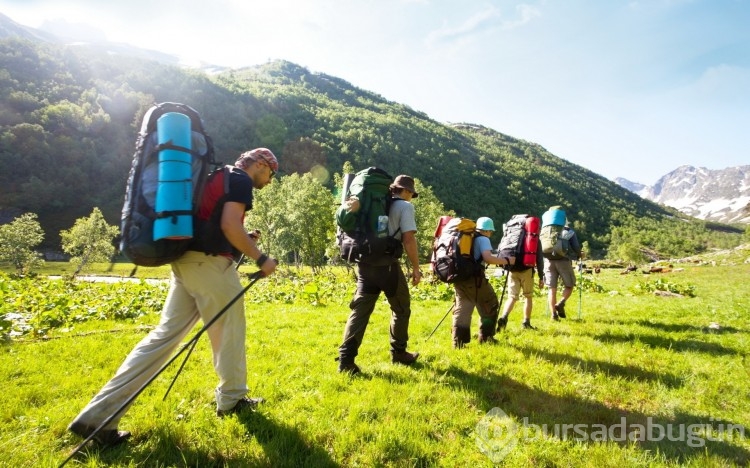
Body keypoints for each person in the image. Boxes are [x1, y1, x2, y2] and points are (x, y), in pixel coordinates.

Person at [68, 148, 279, 446]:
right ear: (259, 165)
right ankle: (231, 400)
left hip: (185, 262)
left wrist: (243, 239)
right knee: (230, 333)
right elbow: (229, 225)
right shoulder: (240, 180)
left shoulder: (215, 175)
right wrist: (261, 258)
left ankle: (97, 416)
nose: (270, 180)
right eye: (271, 172)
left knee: (162, 338)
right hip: (210, 266)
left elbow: (215, 221)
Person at [338, 175, 422, 375]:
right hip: (387, 267)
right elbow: (408, 239)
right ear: (407, 191)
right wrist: (416, 268)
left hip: (365, 265)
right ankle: (399, 353)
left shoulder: (375, 202)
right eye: (411, 194)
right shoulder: (405, 207)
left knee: (360, 312)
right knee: (401, 309)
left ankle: (346, 360)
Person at [451, 217, 514, 348]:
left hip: (458, 276)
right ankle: (486, 337)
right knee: (490, 303)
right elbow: (488, 258)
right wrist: (507, 260)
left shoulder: (466, 236)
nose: (490, 234)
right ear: (488, 231)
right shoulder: (483, 239)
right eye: (491, 232)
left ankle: (458, 343)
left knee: (463, 308)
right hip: (474, 279)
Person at [541, 206, 582, 320]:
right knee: (569, 285)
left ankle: (553, 315)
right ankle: (561, 303)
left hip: (548, 260)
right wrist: (580, 255)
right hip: (563, 260)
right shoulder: (568, 230)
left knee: (551, 289)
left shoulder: (544, 231)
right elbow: (576, 247)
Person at [497, 232, 545, 330]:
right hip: (526, 270)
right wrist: (541, 276)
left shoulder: (511, 235)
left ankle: (504, 317)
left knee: (512, 297)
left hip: (512, 269)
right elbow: (539, 258)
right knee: (528, 296)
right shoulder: (533, 237)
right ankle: (526, 322)